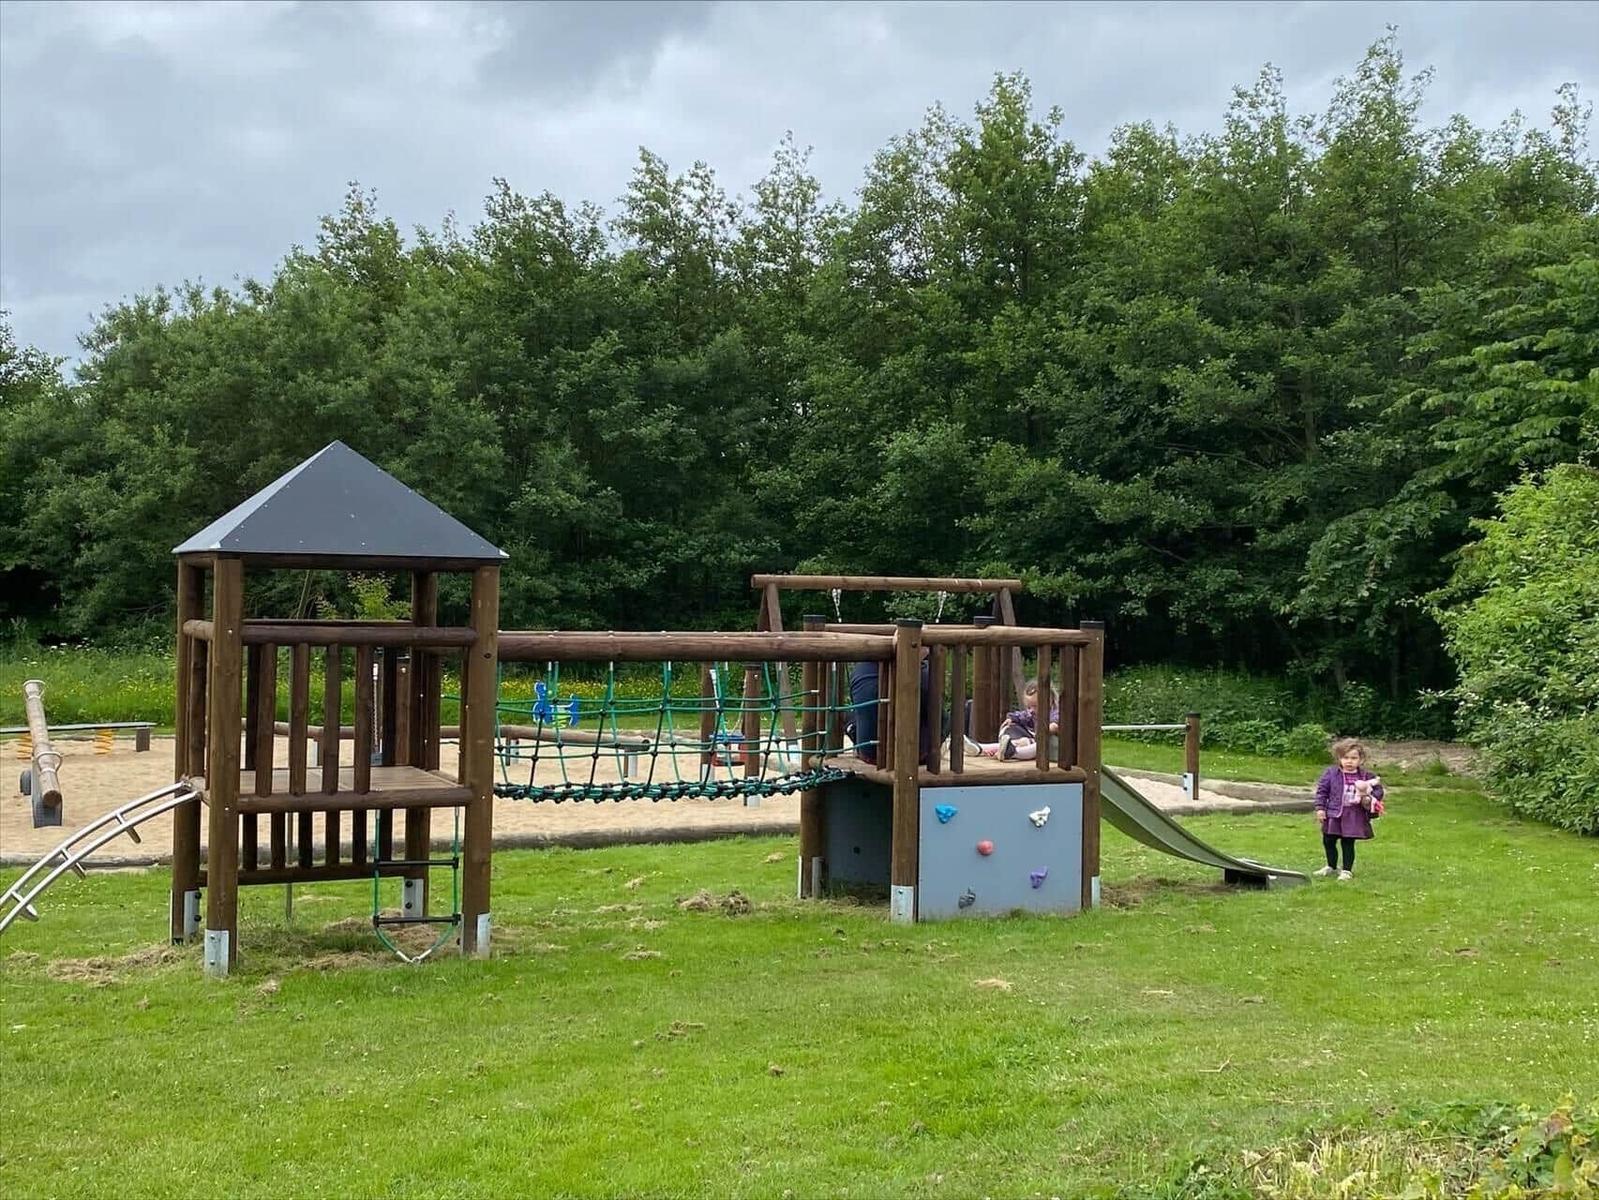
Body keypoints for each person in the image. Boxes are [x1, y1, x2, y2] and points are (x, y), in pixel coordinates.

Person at [1313, 738, 1384, 880]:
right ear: (1339, 758)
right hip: (1334, 813)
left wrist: (1370, 799)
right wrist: (1320, 808)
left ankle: (1346, 870)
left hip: (1353, 815)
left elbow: (1378, 790)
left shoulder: (1366, 776)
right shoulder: (1331, 773)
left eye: (1353, 758)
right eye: (1345, 758)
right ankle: (1331, 866)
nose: (1349, 761)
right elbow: (1322, 791)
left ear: (1361, 759)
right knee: (1328, 840)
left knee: (1348, 842)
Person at [846, 655, 933, 766]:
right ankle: (928, 752)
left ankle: (859, 741)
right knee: (941, 718)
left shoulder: (861, 671)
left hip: (872, 756)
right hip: (916, 756)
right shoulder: (927, 674)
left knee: (850, 716)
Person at [973, 679, 1058, 761]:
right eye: (1029, 707)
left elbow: (1055, 723)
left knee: (1036, 746)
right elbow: (1022, 715)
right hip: (1034, 739)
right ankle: (981, 748)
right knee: (1017, 736)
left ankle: (1013, 752)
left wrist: (1049, 728)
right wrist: (1011, 718)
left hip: (1049, 746)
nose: (1031, 710)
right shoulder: (1033, 713)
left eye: (1035, 706)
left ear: (1049, 701)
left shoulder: (1055, 712)